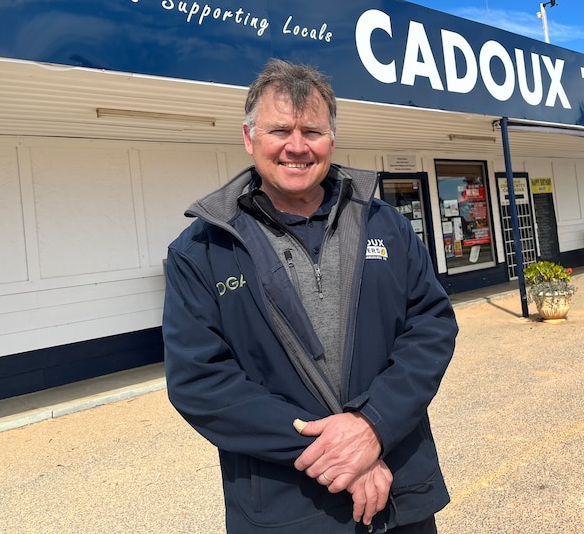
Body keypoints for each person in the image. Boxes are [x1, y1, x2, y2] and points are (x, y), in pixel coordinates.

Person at [162, 58, 458, 534]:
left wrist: (373, 426)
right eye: (280, 130)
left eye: (312, 132)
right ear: (248, 137)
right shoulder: (201, 250)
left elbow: (431, 326)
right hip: (288, 509)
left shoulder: (385, 224)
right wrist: (337, 452)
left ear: (332, 140)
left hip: (399, 494)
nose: (296, 147)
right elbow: (200, 383)